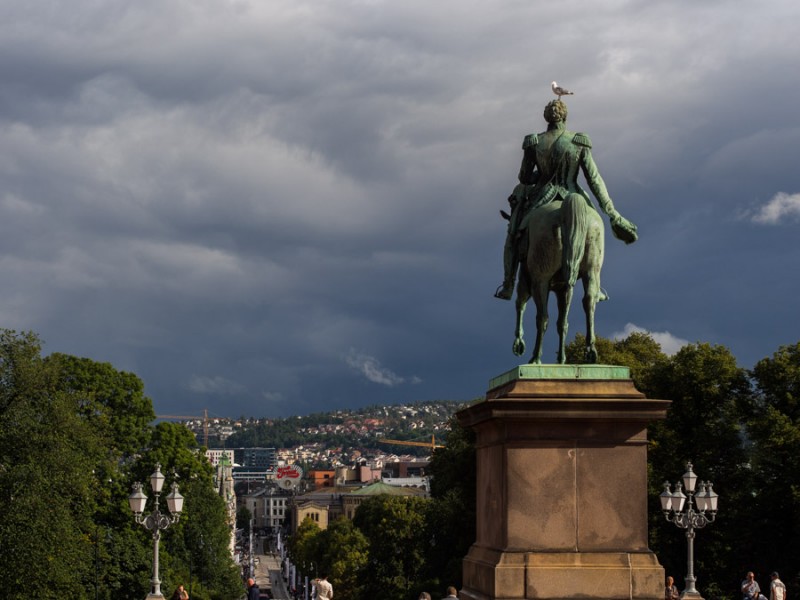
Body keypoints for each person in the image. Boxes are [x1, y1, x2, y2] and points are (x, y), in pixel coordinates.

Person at [494, 98, 638, 300]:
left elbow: (524, 177)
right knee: (595, 226)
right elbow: (594, 179)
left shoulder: (534, 141)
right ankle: (595, 286)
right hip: (573, 192)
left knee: (513, 233)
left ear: (546, 117)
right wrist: (612, 213)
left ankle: (508, 284)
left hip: (542, 197)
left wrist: (539, 175)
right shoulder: (578, 142)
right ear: (565, 117)